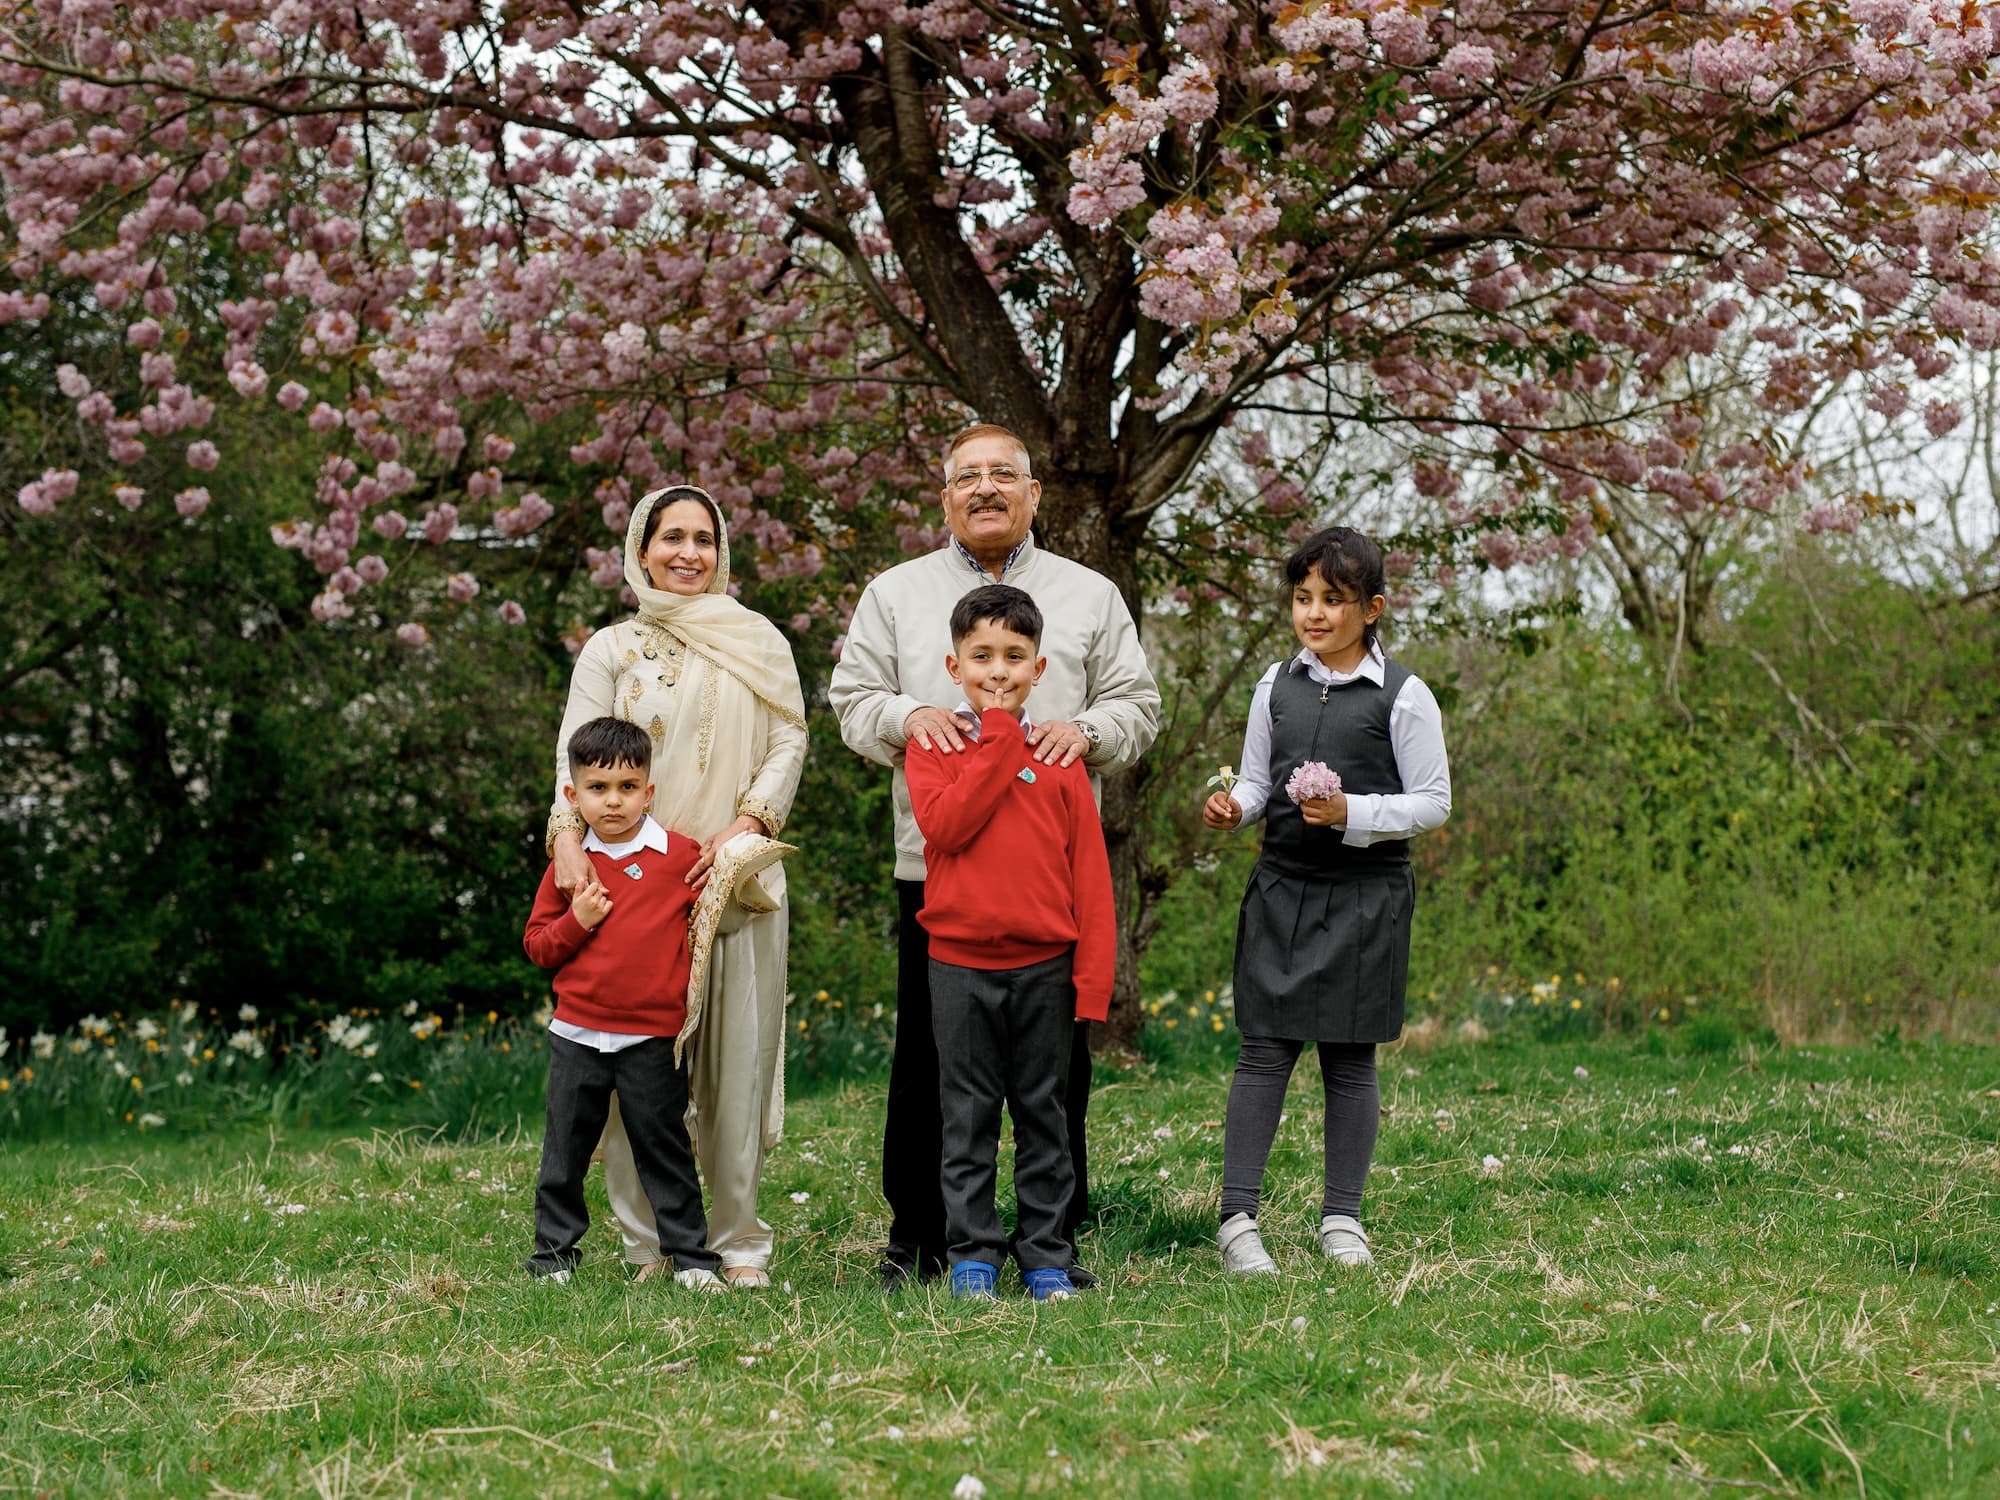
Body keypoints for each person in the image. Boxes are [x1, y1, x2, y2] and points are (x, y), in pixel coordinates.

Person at [829, 423, 1160, 1291]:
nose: (985, 489)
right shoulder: (895, 593)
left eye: (1003, 475)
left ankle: (1052, 1235)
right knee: (929, 1070)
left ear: (1033, 493)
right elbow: (851, 699)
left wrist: (1084, 732)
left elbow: (1137, 704)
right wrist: (907, 718)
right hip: (938, 872)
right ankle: (926, 1233)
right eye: (967, 477)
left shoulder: (1090, 594)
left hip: (1048, 882)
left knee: (1053, 1078)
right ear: (944, 498)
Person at [546, 486, 807, 1289]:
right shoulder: (612, 648)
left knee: (734, 1066)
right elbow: (571, 761)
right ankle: (647, 1243)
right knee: (637, 1074)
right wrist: (568, 848)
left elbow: (790, 734)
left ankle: (736, 1244)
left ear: (721, 550)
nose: (688, 553)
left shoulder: (757, 638)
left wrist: (751, 822)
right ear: (641, 548)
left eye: (703, 539)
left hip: (733, 881)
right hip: (634, 889)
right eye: (671, 538)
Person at [1200, 526, 1452, 1276]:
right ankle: (1237, 1220)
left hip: (1367, 895)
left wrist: (1356, 815)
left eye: (1333, 601)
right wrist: (1234, 809)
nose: (1314, 613)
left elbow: (1433, 803)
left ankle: (1342, 1217)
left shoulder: (1405, 698)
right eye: (1303, 598)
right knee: (1264, 1050)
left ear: (1372, 608)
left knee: (1349, 1058)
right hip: (1282, 887)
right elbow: (1254, 779)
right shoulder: (1273, 686)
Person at [905, 586, 1114, 1300]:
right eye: (982, 655)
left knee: (1043, 1116)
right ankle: (972, 1255)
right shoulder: (933, 747)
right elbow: (949, 827)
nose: (998, 670)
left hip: (1045, 970)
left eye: (1014, 657)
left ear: (1039, 667)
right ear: (953, 664)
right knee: (964, 1116)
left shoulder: (1060, 760)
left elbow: (1089, 879)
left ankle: (1047, 1254)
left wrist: (1092, 980)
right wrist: (997, 734)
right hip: (958, 967)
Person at [522, 717, 722, 1289]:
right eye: (598, 788)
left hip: (651, 1039)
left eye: (628, 787)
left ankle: (691, 1260)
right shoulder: (568, 868)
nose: (613, 801)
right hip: (577, 1035)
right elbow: (538, 947)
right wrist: (576, 923)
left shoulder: (679, 858)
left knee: (664, 1151)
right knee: (565, 1154)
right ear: (573, 795)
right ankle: (553, 1257)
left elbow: (724, 902)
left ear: (648, 792)